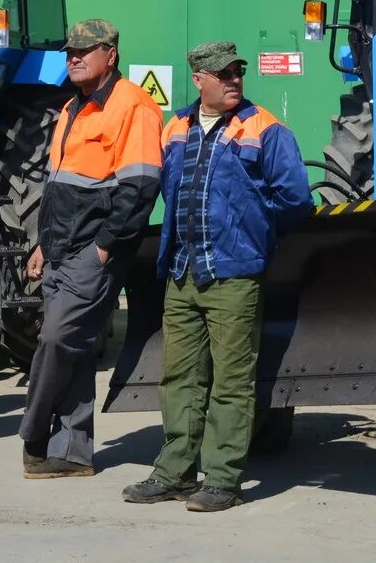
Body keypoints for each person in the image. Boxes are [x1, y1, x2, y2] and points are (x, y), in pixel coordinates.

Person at [121, 40, 311, 512]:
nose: (233, 81)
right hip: (183, 273)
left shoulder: (266, 129)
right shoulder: (176, 127)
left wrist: (254, 233)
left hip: (234, 275)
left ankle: (223, 480)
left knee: (231, 381)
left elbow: (295, 200)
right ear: (199, 79)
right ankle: (175, 473)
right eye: (222, 74)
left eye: (237, 73)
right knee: (179, 378)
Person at [20, 19, 163, 479]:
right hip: (59, 249)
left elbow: (140, 189)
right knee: (76, 349)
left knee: (55, 338)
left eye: (84, 50)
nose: (74, 57)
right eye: (70, 52)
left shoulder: (133, 107)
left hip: (93, 253)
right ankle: (72, 453)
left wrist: (103, 250)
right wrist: (43, 244)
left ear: (111, 55)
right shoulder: (71, 109)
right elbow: (60, 186)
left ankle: (35, 433)